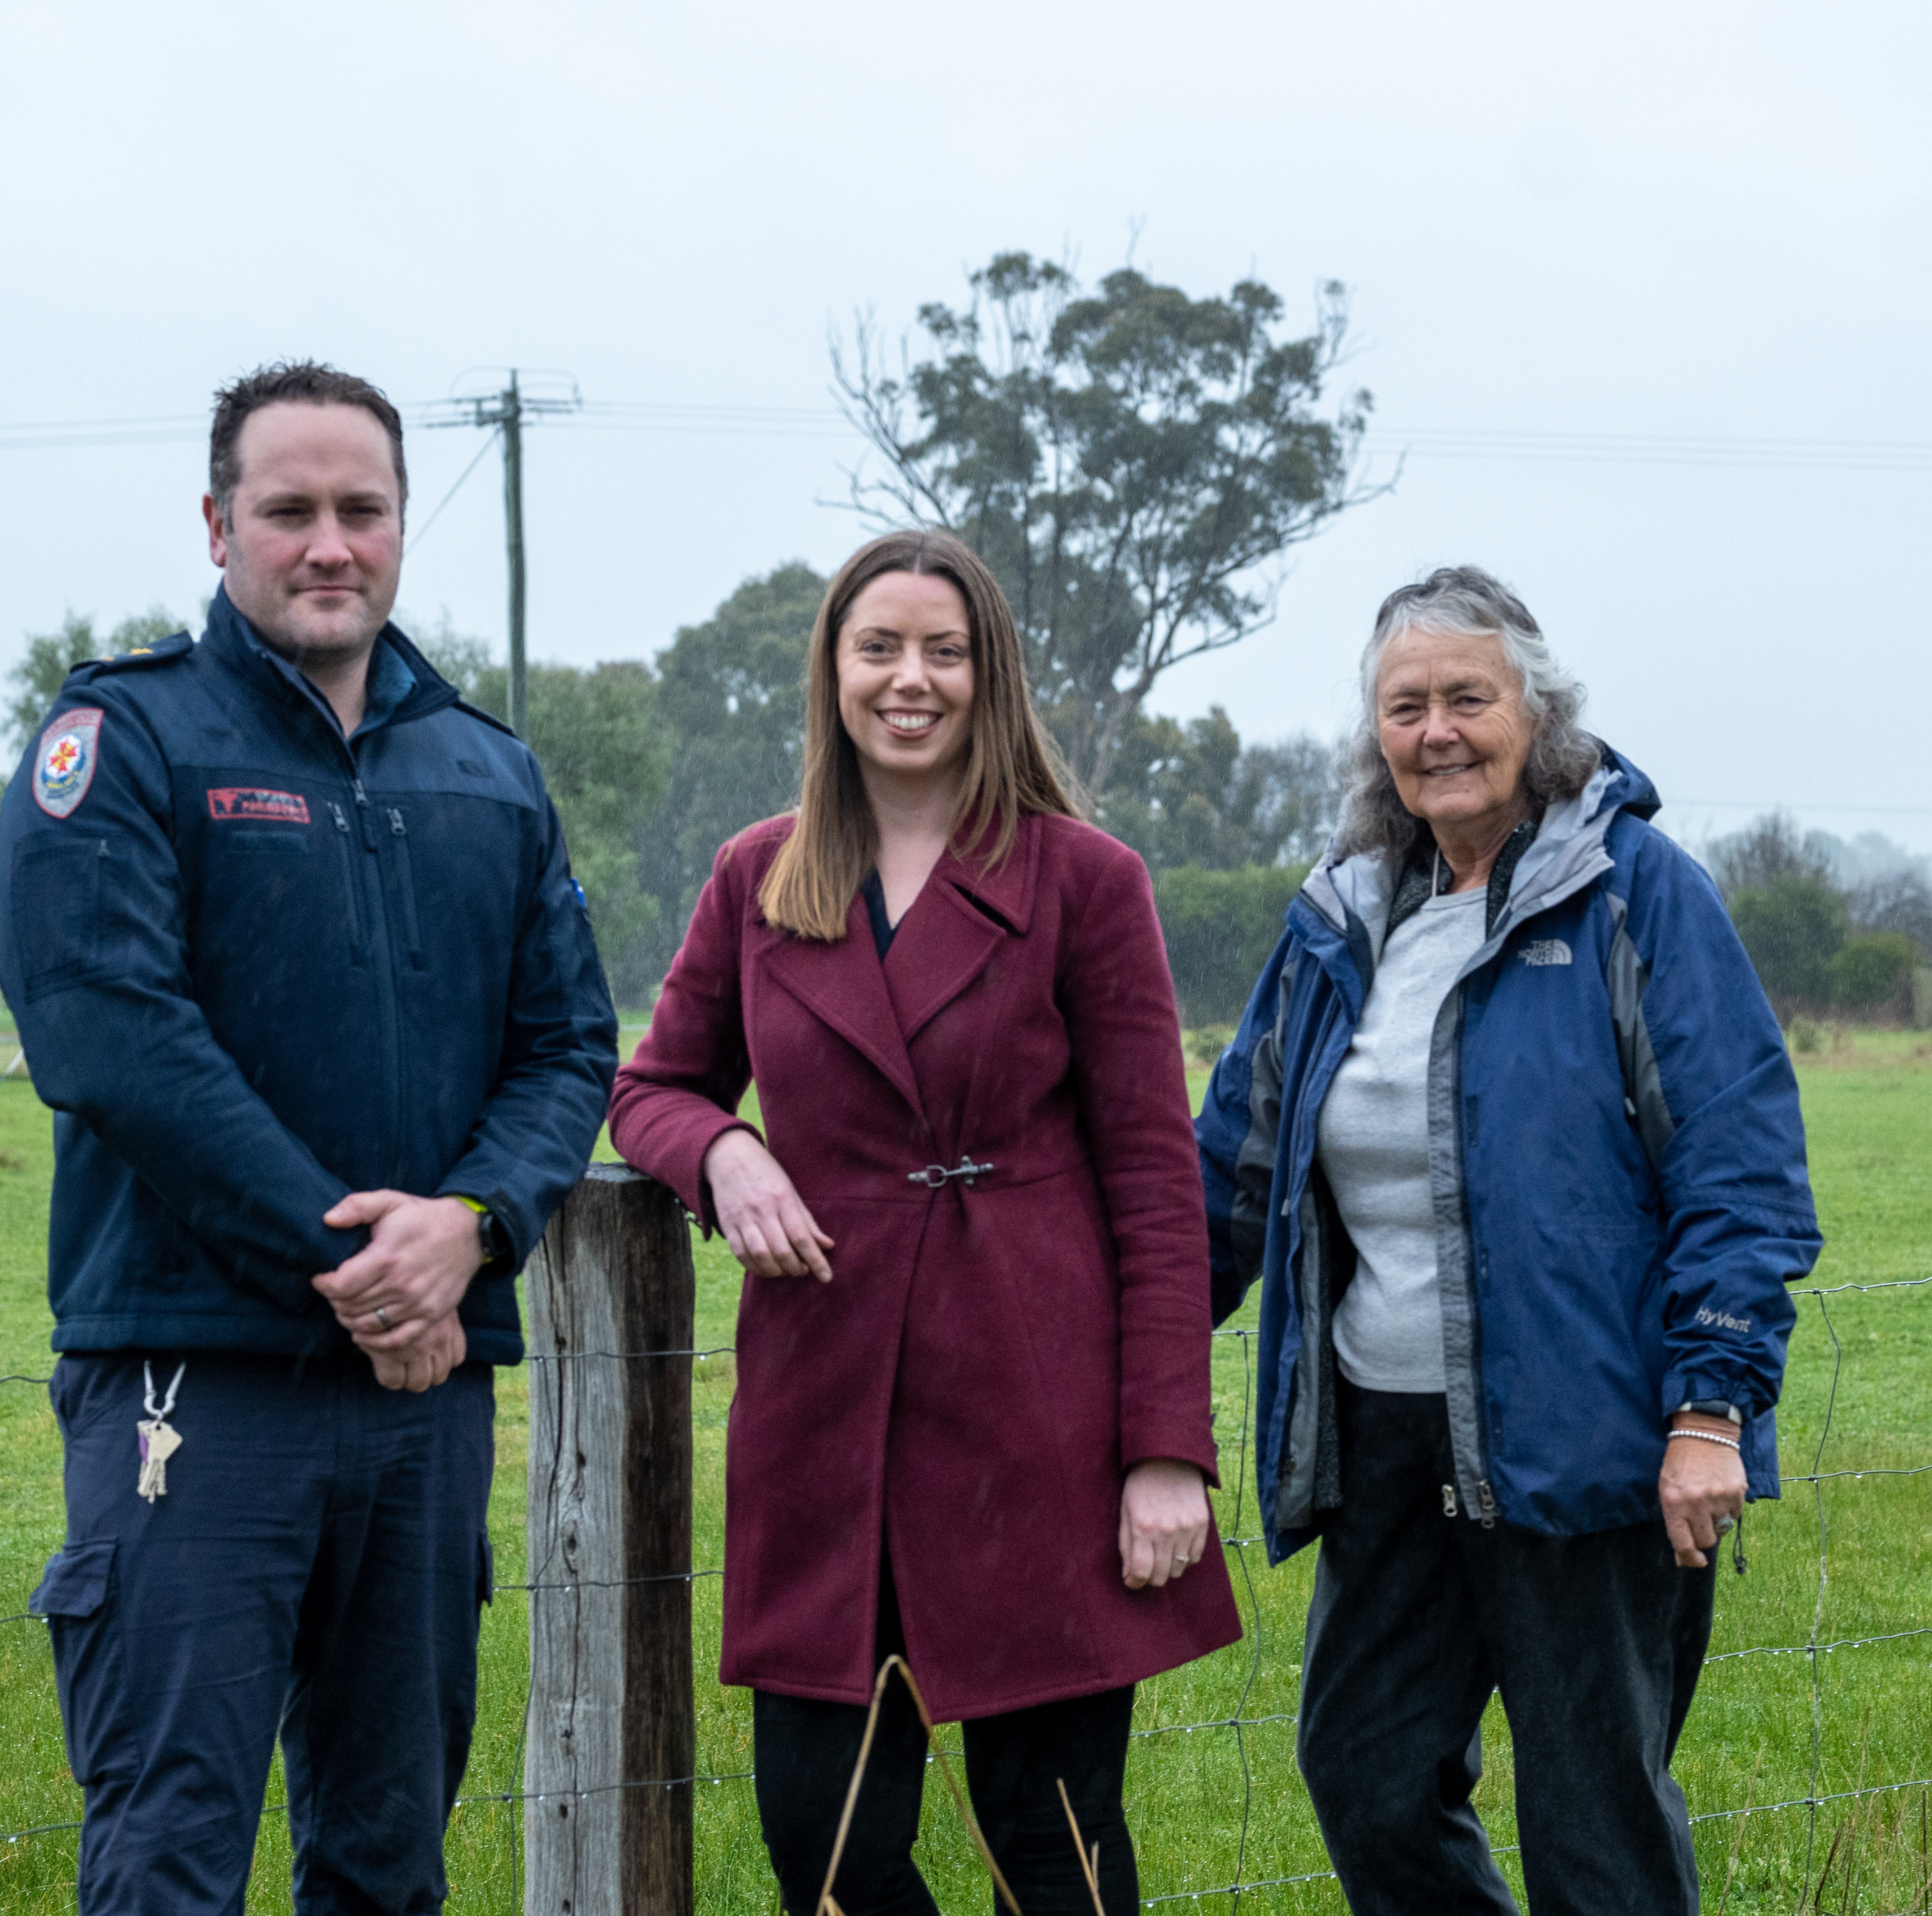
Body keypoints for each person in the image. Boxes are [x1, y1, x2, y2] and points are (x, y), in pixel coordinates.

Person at [0, 360, 616, 1914]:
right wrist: (357, 1255)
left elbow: (567, 1045)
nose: (328, 541)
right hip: (198, 1382)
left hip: (422, 1400)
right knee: (170, 1850)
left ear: (405, 523)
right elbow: (109, 1034)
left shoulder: (489, 771)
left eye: (363, 509)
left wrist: (473, 1220)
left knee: (390, 1852)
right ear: (219, 524)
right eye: (290, 511)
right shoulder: (124, 740)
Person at [610, 528, 1240, 1914]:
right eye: (879, 646)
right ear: (832, 671)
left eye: (944, 650)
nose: (912, 677)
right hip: (823, 1420)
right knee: (825, 1844)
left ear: (990, 673)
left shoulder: (1085, 879)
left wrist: (1163, 1453)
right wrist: (718, 1150)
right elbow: (648, 1087)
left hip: (1036, 1415)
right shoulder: (758, 877)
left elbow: (1155, 1185)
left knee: (1052, 1841)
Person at [1197, 567, 1820, 1916]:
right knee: (1364, 1774)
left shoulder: (1631, 893)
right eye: (1404, 705)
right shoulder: (1341, 918)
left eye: (1467, 698)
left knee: (1594, 1825)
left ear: (1536, 711)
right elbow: (1231, 1169)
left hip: (1588, 1439)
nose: (1436, 731)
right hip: (1383, 1440)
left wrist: (1709, 1407)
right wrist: (1114, 1361)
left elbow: (1739, 1163)